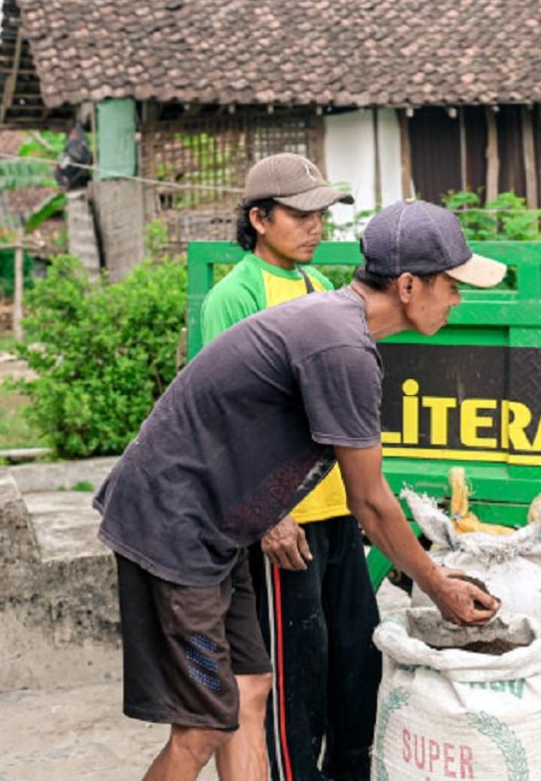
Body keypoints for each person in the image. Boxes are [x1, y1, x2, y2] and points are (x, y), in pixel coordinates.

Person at [95, 198, 505, 781]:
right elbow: (370, 502)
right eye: (452, 285)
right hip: (172, 534)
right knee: (205, 723)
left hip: (215, 533)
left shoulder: (340, 326)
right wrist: (438, 586)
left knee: (250, 686)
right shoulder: (341, 346)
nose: (459, 298)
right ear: (410, 285)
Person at [200, 154, 375, 781]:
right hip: (283, 523)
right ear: (259, 218)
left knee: (355, 661)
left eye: (321, 215)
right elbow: (227, 421)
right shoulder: (234, 295)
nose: (316, 227)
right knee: (294, 677)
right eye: (301, 215)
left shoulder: (317, 291)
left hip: (332, 512)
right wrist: (271, 517)